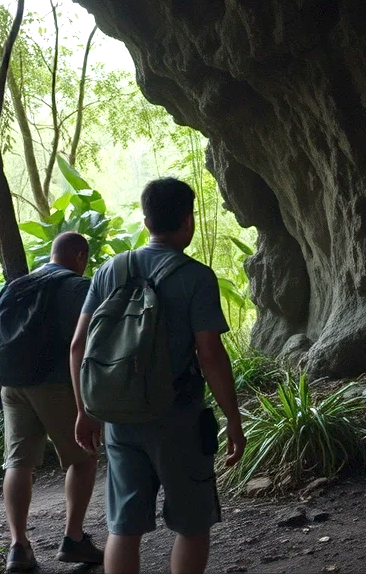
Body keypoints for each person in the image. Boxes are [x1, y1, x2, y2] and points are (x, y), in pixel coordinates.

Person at [69, 177, 246, 574]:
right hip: (177, 416)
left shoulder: (110, 270)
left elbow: (79, 344)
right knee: (192, 524)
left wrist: (85, 409)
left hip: (118, 416)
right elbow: (210, 355)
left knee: (124, 527)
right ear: (188, 221)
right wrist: (233, 419)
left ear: (146, 221)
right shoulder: (197, 277)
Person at [0, 232, 105, 572]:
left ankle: (18, 547)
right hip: (55, 383)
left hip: (12, 385)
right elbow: (85, 341)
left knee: (18, 462)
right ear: (79, 255)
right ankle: (73, 538)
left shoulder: (17, 285)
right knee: (84, 457)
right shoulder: (77, 286)